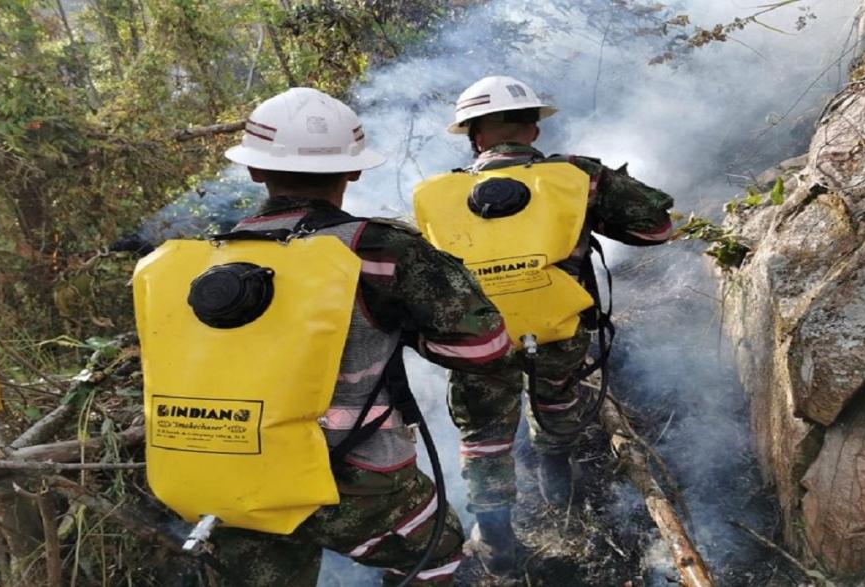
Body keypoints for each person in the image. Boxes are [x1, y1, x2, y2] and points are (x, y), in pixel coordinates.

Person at [139, 88, 514, 586]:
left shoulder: (190, 264)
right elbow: (484, 346)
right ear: (353, 171)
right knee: (438, 552)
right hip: (354, 483)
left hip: (222, 480)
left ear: (254, 170)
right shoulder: (378, 249)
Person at [413, 75, 675, 578]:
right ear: (534, 129)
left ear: (474, 137)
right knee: (557, 399)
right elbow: (656, 228)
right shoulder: (577, 176)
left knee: (484, 433)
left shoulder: (435, 194)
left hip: (478, 340)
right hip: (558, 329)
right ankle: (557, 478)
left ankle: (495, 541)